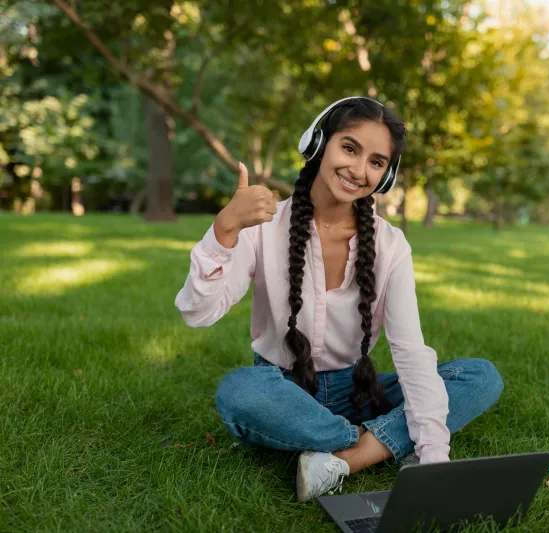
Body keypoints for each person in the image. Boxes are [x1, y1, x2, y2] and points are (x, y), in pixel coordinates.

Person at [174, 97, 504, 502]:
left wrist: (434, 457)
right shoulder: (261, 227)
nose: (358, 170)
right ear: (318, 144)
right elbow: (197, 312)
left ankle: (346, 458)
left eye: (377, 162)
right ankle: (374, 439)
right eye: (349, 148)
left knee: (480, 377)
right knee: (239, 391)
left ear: (385, 175)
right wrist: (225, 228)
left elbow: (410, 351)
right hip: (283, 390)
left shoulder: (390, 244)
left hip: (358, 389)